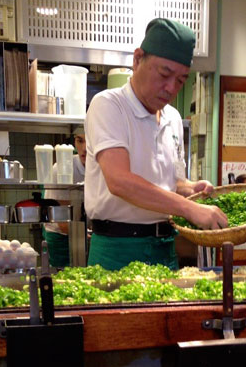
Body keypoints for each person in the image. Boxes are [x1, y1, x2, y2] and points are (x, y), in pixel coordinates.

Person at [84, 17, 227, 271]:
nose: (171, 88)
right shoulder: (109, 105)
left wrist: (189, 188)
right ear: (137, 59)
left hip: (165, 247)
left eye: (181, 80)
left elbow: (169, 181)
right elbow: (119, 181)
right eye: (164, 74)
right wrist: (189, 208)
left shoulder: (173, 118)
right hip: (117, 249)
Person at [43, 126, 86, 267]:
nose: (84, 148)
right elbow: (63, 222)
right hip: (60, 238)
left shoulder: (102, 166)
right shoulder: (61, 169)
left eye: (90, 141)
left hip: (85, 232)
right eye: (80, 141)